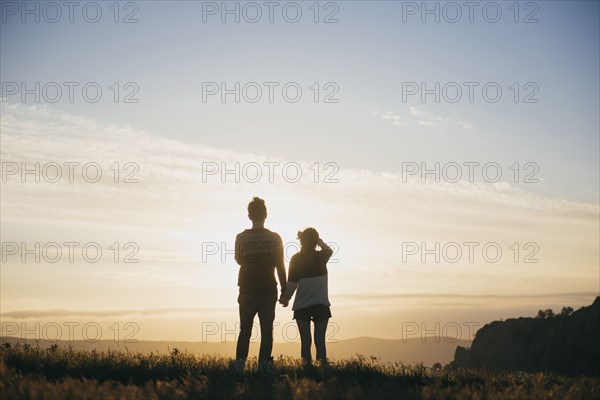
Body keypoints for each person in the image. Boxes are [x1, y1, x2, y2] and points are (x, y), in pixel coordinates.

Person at [234, 197, 286, 366]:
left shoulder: (240, 238)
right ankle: (264, 365)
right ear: (266, 215)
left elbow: (239, 260)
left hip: (247, 289)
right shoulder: (275, 238)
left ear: (249, 216)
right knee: (267, 331)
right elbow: (280, 265)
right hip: (268, 289)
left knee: (245, 330)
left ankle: (240, 364)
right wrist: (285, 290)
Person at [279, 228, 333, 365]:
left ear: (301, 241)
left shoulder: (296, 259)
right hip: (321, 305)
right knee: (320, 340)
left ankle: (306, 369)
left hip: (302, 306)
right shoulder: (321, 257)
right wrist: (319, 241)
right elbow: (329, 250)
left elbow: (291, 285)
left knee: (305, 341)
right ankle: (323, 369)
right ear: (315, 241)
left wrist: (285, 299)